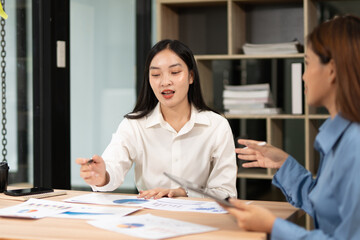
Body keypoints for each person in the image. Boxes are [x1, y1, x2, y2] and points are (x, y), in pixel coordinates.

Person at [222, 15, 360, 239]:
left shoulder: (355, 144)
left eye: (307, 63)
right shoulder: (338, 133)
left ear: (332, 69)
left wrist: (273, 226)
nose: (303, 76)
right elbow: (326, 206)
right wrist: (284, 164)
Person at [76, 39, 237, 200]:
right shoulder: (134, 124)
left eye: (175, 72)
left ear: (191, 76)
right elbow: (112, 168)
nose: (165, 82)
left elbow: (226, 193)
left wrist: (185, 193)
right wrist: (101, 176)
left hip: (200, 217)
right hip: (149, 216)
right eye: (156, 74)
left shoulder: (216, 126)